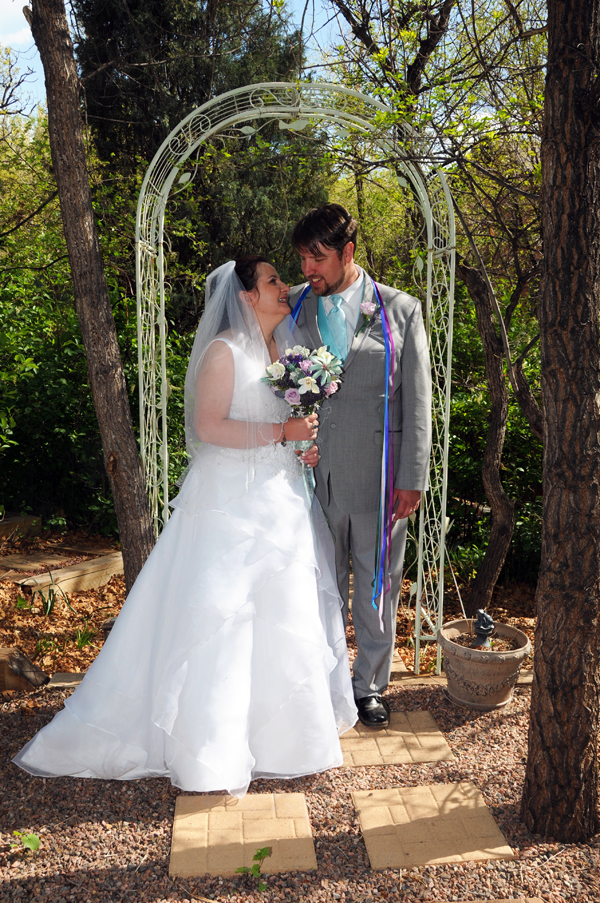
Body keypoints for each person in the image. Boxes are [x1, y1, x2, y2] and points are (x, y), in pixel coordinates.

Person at [13, 257, 357, 797]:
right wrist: (278, 430)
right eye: (272, 281)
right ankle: (211, 749)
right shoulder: (223, 352)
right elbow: (209, 427)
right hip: (229, 505)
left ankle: (285, 740)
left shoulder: (281, 352)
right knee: (224, 616)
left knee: (281, 611)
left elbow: (279, 427)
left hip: (280, 497)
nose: (285, 286)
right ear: (246, 296)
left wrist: (300, 445)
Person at [289, 205, 432, 729]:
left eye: (318, 257)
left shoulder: (399, 310)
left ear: (347, 252)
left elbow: (418, 401)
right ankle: (320, 682)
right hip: (314, 476)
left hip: (381, 476)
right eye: (303, 257)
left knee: (377, 586)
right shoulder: (296, 307)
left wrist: (413, 477)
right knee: (320, 584)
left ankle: (368, 684)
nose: (308, 268)